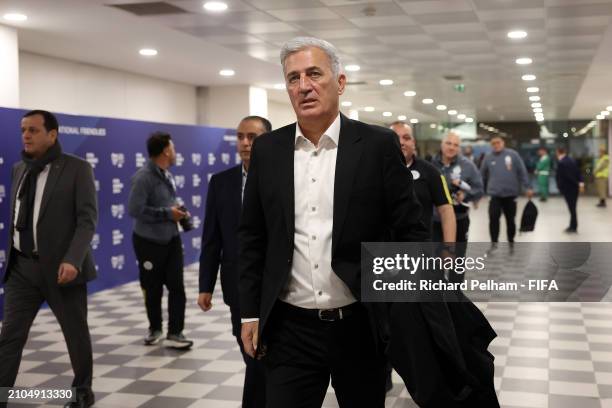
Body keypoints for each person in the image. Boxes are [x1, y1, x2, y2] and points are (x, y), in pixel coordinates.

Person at [238, 36, 428, 408]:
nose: (303, 86)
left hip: (360, 323)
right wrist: (249, 312)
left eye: (314, 74)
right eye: (293, 78)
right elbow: (252, 236)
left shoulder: (376, 145)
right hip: (289, 327)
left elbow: (410, 229)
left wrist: (402, 306)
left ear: (339, 82)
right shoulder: (268, 150)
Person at [0, 110, 97, 408]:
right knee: (10, 337)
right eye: (23, 130)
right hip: (22, 269)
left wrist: (72, 259)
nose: (26, 135)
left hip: (61, 270)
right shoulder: (19, 168)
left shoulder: (76, 169)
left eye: (33, 130)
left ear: (52, 134)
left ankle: (82, 392)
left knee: (75, 334)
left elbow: (86, 220)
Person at [198, 115, 271, 408]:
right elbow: (211, 238)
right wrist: (206, 286)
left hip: (276, 284)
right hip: (237, 286)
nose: (244, 143)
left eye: (252, 137)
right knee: (251, 353)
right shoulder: (221, 182)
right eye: (240, 136)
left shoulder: (284, 177)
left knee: (264, 357)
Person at [128, 132, 193, 349]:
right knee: (152, 287)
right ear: (166, 150)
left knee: (177, 287)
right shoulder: (143, 177)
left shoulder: (167, 174)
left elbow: (166, 203)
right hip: (148, 241)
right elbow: (135, 209)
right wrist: (167, 213)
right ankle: (155, 328)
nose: (175, 152)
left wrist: (178, 212)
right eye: (173, 148)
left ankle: (176, 332)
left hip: (171, 239)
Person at [390, 121, 455, 241]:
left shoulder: (431, 171)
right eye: (395, 137)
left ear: (413, 143)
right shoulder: (374, 171)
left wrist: (449, 249)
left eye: (406, 138)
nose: (401, 142)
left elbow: (446, 210)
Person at [432, 132, 484, 267]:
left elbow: (479, 189)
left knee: (458, 260)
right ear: (441, 144)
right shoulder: (430, 164)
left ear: (459, 148)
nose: (451, 147)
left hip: (459, 218)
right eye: (448, 143)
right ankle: (438, 287)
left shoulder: (468, 165)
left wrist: (466, 195)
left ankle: (456, 288)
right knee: (434, 260)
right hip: (435, 220)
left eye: (456, 145)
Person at [480, 136, 533, 246]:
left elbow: (522, 171)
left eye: (498, 143)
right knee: (493, 219)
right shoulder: (488, 157)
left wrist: (527, 187)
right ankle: (494, 241)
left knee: (510, 220)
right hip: (494, 195)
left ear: (503, 143)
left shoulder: (513, 155)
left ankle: (511, 240)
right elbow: (481, 175)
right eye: (493, 144)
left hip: (510, 195)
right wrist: (479, 191)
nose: (496, 145)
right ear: (491, 145)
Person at [555, 147, 584, 233]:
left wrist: (560, 187)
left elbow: (563, 176)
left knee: (572, 208)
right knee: (573, 208)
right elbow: (578, 172)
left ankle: (573, 227)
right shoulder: (572, 160)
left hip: (568, 188)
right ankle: (573, 225)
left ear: (558, 152)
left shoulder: (562, 163)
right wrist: (580, 183)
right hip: (575, 188)